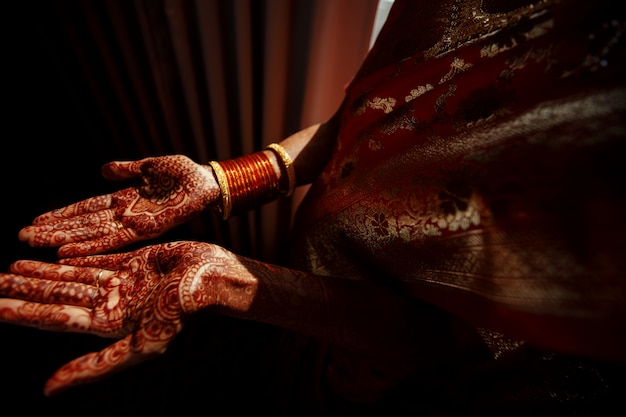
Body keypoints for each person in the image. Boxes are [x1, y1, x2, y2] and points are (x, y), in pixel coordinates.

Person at [1, 0, 625, 414]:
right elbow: (373, 112)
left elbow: (463, 339)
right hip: (308, 285)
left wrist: (231, 282)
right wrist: (224, 182)